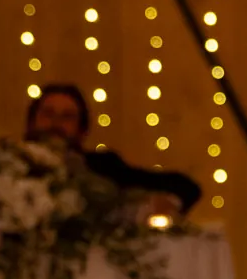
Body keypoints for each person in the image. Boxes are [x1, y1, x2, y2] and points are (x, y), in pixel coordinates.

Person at [25, 82, 202, 215]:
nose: (56, 124)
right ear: (31, 122)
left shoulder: (102, 167)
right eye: (48, 114)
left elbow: (183, 186)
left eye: (67, 117)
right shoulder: (13, 165)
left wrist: (163, 203)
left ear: (82, 130)